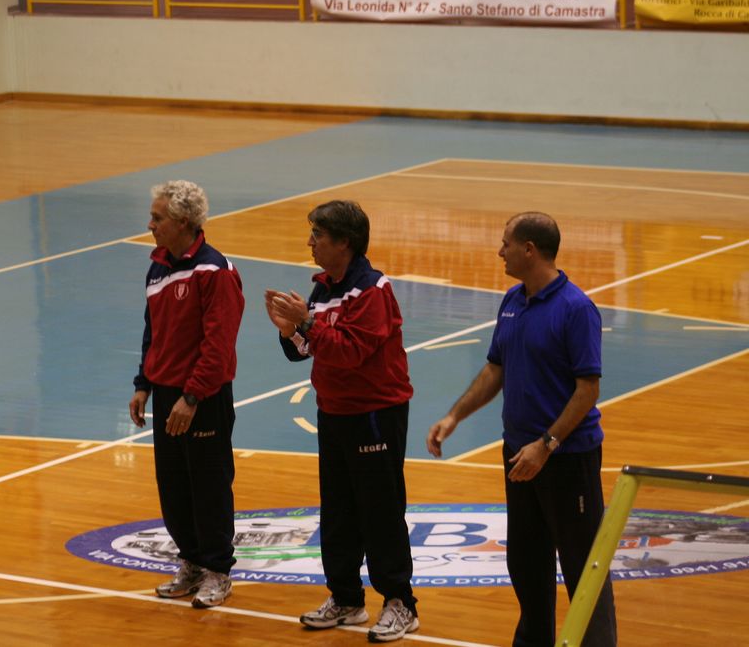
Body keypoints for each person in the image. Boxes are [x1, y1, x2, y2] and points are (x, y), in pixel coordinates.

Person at [426, 212, 617, 647]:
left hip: (566, 459)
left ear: (529, 249)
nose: (500, 251)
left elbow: (587, 390)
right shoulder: (513, 300)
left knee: (583, 566)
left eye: (506, 243)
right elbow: (496, 368)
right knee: (527, 564)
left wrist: (546, 445)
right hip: (518, 454)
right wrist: (455, 416)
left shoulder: (576, 309)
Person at [265, 200, 420, 643]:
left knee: (380, 510)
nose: (309, 243)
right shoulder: (323, 290)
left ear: (344, 242)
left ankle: (400, 603)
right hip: (333, 412)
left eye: (318, 235)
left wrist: (307, 322)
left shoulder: (372, 290)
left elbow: (351, 352)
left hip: (374, 414)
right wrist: (289, 330)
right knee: (337, 510)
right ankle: (347, 599)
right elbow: (309, 350)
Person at [128, 180, 245, 609]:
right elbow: (153, 331)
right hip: (165, 393)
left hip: (204, 397)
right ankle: (191, 562)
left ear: (182, 222)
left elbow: (219, 344)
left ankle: (217, 570)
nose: (150, 225)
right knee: (174, 484)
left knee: (209, 485)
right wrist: (143, 383)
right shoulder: (158, 268)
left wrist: (192, 396)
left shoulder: (215, 271)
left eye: (157, 218)